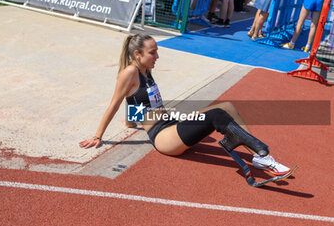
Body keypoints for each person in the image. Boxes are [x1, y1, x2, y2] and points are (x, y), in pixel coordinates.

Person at [79, 33, 291, 176]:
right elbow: (115, 103)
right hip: (163, 138)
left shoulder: (146, 70)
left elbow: (137, 99)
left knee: (226, 107)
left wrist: (131, 121)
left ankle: (259, 157)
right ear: (137, 54)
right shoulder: (129, 73)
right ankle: (263, 154)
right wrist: (98, 136)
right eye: (153, 52)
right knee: (217, 115)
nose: (157, 56)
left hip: (171, 124)